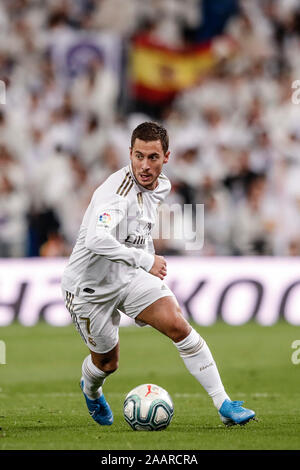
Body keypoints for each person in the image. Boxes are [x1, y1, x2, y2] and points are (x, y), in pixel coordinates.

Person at [61, 121, 256, 427]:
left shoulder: (162, 185)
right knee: (107, 363)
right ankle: (91, 388)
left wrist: (145, 258)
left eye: (153, 157)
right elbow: (96, 240)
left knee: (178, 325)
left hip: (128, 276)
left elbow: (140, 226)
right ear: (130, 153)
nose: (145, 165)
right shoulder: (116, 193)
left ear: (166, 157)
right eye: (138, 156)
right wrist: (145, 259)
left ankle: (225, 405)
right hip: (89, 289)